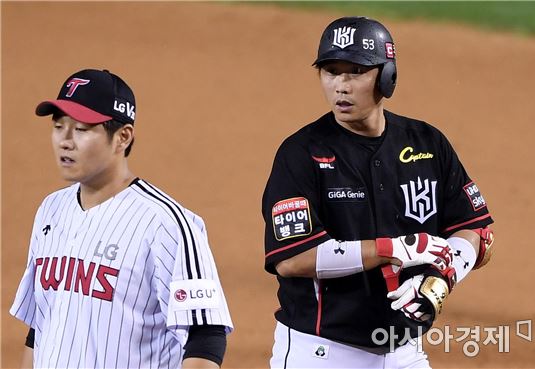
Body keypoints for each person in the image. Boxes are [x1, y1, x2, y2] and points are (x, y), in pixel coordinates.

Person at [262, 16, 494, 368]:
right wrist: (393, 249)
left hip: (406, 353)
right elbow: (292, 259)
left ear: (387, 77)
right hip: (321, 354)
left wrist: (441, 278)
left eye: (355, 71)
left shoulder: (427, 143)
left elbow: (476, 231)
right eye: (330, 71)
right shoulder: (301, 153)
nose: (340, 85)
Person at [10, 69, 233, 369]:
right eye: (59, 126)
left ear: (122, 137)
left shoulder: (166, 224)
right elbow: (40, 327)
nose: (65, 141)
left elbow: (206, 334)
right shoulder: (50, 210)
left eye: (81, 129)